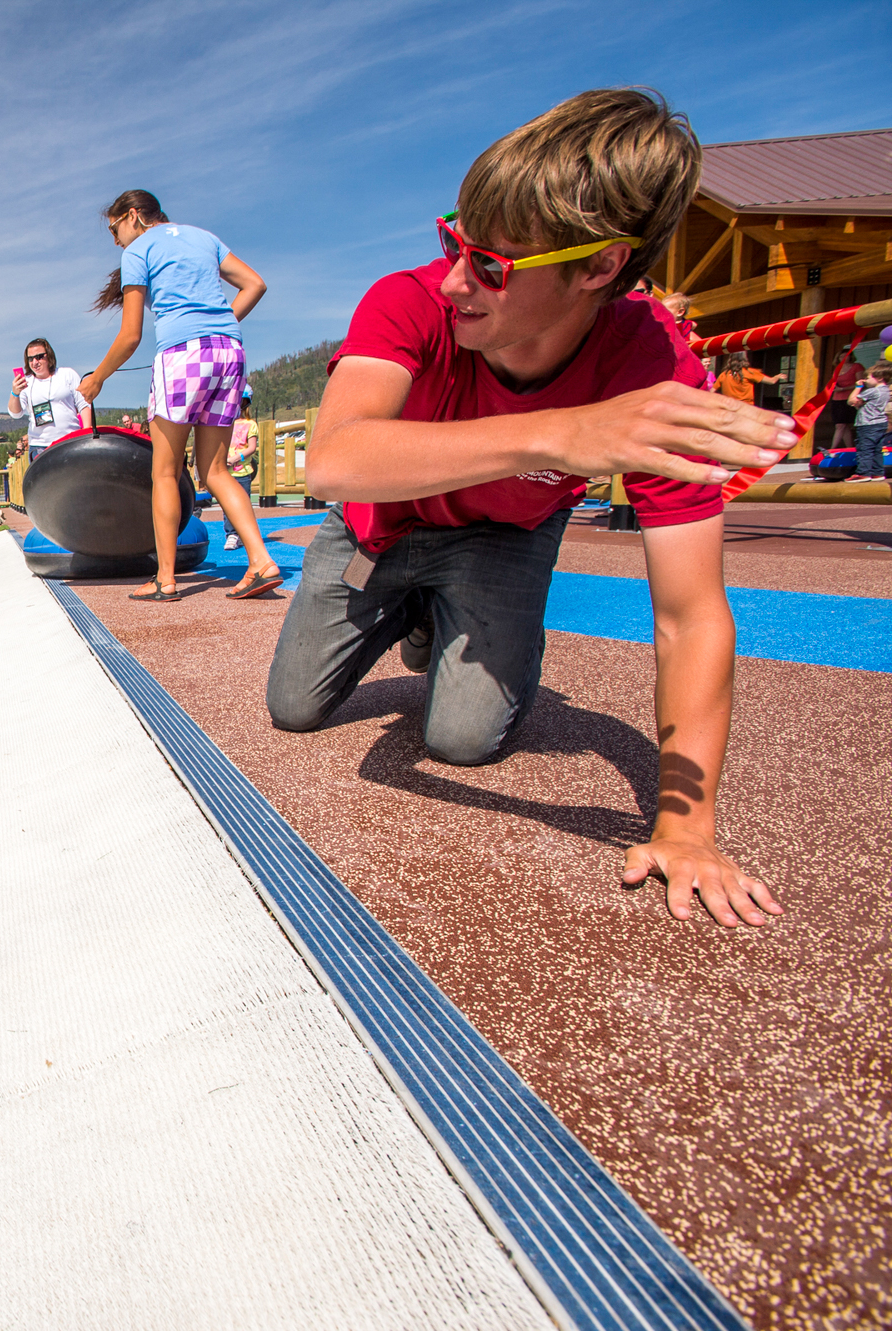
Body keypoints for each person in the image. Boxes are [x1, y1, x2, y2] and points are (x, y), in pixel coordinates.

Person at [265, 87, 795, 930]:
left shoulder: (655, 371)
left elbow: (692, 616)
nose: (454, 279)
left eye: (493, 265)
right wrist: (564, 434)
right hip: (381, 524)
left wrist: (687, 827)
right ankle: (420, 613)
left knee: (464, 742)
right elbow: (334, 460)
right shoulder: (409, 301)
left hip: (500, 534)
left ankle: (462, 616)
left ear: (600, 267)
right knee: (292, 709)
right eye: (453, 241)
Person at [77, 190, 283, 603]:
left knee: (165, 472)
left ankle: (165, 579)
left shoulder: (138, 251)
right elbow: (254, 284)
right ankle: (261, 561)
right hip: (229, 352)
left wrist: (97, 378)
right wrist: (218, 322)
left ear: (133, 216)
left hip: (182, 359)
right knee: (217, 471)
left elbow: (131, 335)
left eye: (115, 228)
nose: (116, 240)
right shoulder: (203, 237)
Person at [7, 339, 92, 460]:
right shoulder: (26, 382)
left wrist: (87, 435)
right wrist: (14, 393)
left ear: (49, 356)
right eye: (30, 359)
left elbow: (84, 404)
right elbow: (16, 414)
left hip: (70, 440)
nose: (35, 362)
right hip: (40, 446)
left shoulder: (67, 374)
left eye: (39, 357)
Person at [220, 385, 260, 550]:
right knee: (227, 503)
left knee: (243, 504)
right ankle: (231, 534)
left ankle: (243, 533)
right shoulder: (225, 423)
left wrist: (236, 458)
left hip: (242, 472)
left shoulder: (250, 424)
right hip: (225, 472)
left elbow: (251, 447)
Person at [848, 365, 889, 482]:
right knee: (877, 448)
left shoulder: (872, 391)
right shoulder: (886, 390)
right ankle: (877, 472)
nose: (866, 380)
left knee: (864, 449)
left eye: (868, 377)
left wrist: (858, 387)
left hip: (867, 423)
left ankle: (863, 473)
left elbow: (851, 400)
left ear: (880, 378)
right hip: (881, 423)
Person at [716, 351, 783, 405]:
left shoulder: (724, 374)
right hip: (746, 407)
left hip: (729, 406)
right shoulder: (749, 372)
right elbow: (772, 381)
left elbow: (712, 391)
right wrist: (777, 376)